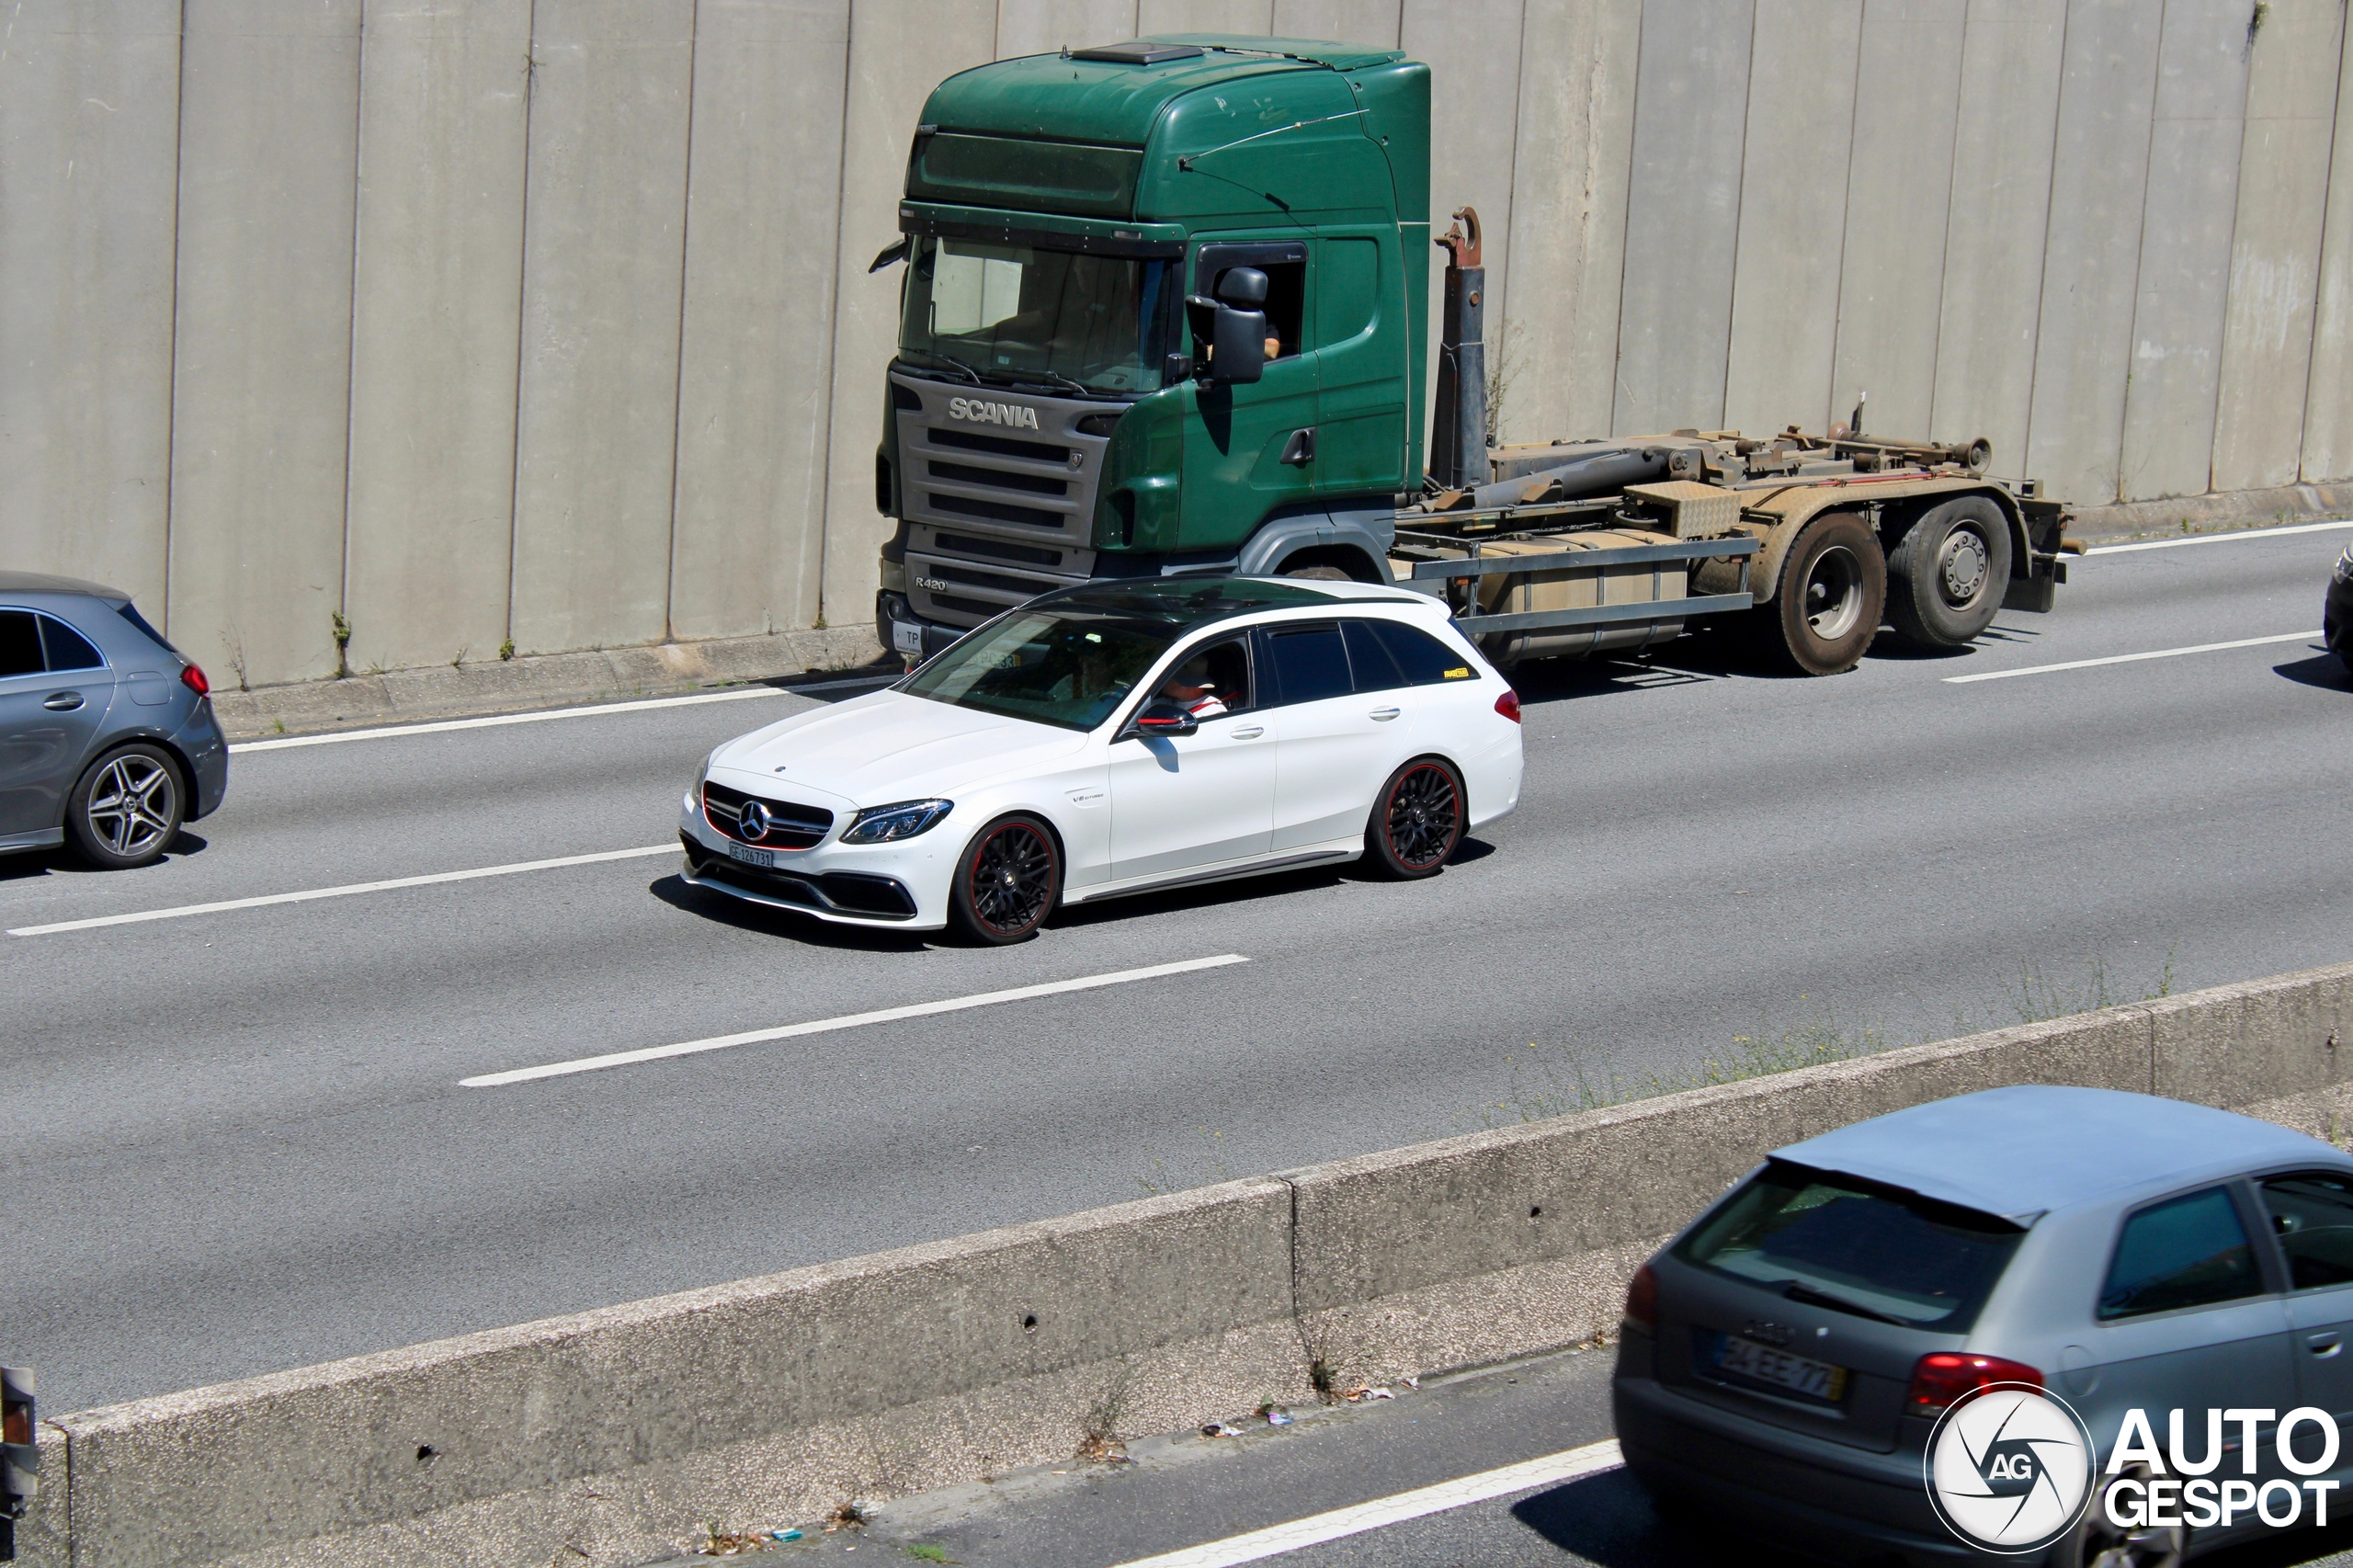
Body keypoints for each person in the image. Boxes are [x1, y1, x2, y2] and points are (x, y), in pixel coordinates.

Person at [1158, 653, 1228, 719]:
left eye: (1171, 678)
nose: (1165, 681)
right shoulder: (1161, 703)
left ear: (1187, 685)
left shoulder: (1213, 711)